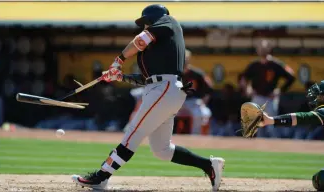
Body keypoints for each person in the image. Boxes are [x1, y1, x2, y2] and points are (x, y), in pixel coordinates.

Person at [72, 4, 225, 191]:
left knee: (132, 135)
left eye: (146, 22)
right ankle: (209, 165)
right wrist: (119, 76)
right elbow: (147, 79)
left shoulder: (168, 22)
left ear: (155, 18)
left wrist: (118, 60)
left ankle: (101, 176)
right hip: (163, 90)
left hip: (164, 89)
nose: (144, 26)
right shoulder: (161, 46)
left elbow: (140, 40)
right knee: (162, 150)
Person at [260, 79, 324, 191]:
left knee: (322, 179)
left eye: (320, 96)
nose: (317, 99)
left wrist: (270, 120)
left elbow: (303, 117)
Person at [239, 39, 295, 138]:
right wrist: (248, 88)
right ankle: (261, 149)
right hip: (257, 97)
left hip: (270, 98)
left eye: (264, 47)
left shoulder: (275, 64)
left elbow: (291, 77)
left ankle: (275, 147)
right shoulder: (254, 64)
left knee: (272, 125)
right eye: (260, 48)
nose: (261, 50)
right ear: (257, 50)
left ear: (269, 49)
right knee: (257, 126)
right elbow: (243, 77)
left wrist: (280, 91)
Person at [177, 49, 213, 135]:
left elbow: (209, 88)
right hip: (177, 101)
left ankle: (195, 137)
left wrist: (204, 102)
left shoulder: (197, 73)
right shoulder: (174, 73)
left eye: (186, 58)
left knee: (200, 113)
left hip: (192, 101)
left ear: (189, 59)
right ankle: (169, 136)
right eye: (183, 58)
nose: (184, 60)